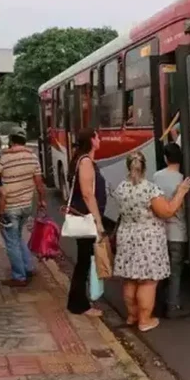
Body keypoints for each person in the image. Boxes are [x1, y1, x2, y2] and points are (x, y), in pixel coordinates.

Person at [113, 151, 190, 332]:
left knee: (130, 280)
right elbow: (167, 211)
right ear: (144, 167)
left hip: (126, 237)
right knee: (147, 281)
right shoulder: (150, 189)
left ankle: (132, 316)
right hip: (148, 240)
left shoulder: (121, 188)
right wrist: (181, 192)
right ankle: (145, 320)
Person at [0, 127, 46, 287]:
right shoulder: (33, 157)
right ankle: (28, 267)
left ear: (11, 142)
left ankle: (19, 276)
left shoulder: (3, 159)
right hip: (27, 206)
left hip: (10, 206)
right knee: (18, 237)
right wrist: (41, 200)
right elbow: (39, 183)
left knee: (11, 241)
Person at [65, 128, 108, 317]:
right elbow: (87, 193)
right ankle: (78, 304)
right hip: (86, 218)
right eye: (97, 137)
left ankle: (79, 301)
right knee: (84, 260)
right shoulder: (85, 162)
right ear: (91, 140)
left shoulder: (83, 160)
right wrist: (98, 221)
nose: (100, 139)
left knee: (84, 259)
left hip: (84, 216)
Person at [153, 143, 190, 319]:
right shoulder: (184, 180)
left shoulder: (155, 177)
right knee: (175, 272)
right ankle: (172, 306)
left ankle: (155, 304)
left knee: (160, 270)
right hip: (178, 232)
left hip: (160, 231)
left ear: (165, 158)